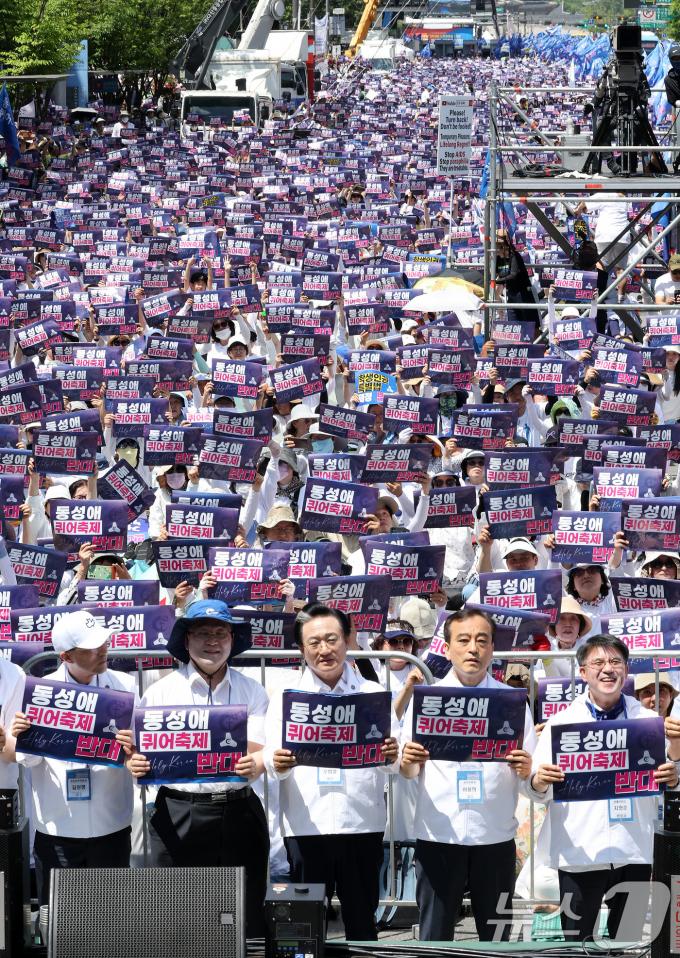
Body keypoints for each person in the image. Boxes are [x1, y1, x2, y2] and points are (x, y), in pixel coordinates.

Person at [129, 600, 269, 937]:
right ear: (186, 639)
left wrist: (253, 760)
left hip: (239, 811)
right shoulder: (159, 693)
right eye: (203, 633)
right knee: (179, 917)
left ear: (232, 639)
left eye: (221, 633)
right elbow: (140, 751)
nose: (213, 641)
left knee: (243, 913)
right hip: (178, 810)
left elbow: (256, 748)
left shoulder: (252, 690)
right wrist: (135, 761)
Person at [530, 634, 680, 943]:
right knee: (577, 942)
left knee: (627, 939)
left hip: (635, 850)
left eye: (615, 662)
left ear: (626, 670)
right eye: (598, 662)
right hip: (579, 851)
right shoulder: (561, 724)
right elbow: (534, 787)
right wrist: (538, 781)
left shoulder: (649, 722)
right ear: (583, 672)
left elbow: (671, 778)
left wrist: (673, 774)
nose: (607, 669)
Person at [400, 608, 537, 942]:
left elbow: (530, 776)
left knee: (497, 939)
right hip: (439, 836)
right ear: (447, 649)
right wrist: (409, 761)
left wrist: (527, 770)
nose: (473, 648)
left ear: (492, 649)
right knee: (435, 937)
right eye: (463, 640)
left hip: (494, 837)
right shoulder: (426, 701)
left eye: (482, 640)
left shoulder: (511, 702)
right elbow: (406, 771)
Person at [264, 604, 399, 941]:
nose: (324, 649)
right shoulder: (285, 698)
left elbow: (394, 763)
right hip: (306, 826)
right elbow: (270, 759)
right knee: (304, 932)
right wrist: (276, 762)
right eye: (314, 642)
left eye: (332, 639)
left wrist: (392, 755)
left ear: (347, 640)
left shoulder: (372, 695)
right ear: (301, 648)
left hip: (362, 824)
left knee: (362, 926)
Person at [4, 610, 141, 920]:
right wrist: (25, 739)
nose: (103, 650)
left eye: (104, 642)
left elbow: (141, 755)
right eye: (92, 647)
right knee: (61, 921)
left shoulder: (126, 686)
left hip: (112, 825)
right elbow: (28, 760)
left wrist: (133, 748)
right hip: (57, 827)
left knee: (112, 919)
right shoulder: (39, 692)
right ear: (66, 656)